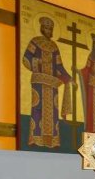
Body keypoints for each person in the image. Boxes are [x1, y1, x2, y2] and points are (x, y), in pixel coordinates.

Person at [21, 15, 72, 149]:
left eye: (51, 29)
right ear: (42, 28)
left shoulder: (54, 46)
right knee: (37, 109)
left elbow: (59, 66)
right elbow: (26, 58)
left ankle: (52, 140)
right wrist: (38, 63)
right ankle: (35, 139)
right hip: (39, 82)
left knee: (53, 112)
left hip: (52, 84)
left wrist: (68, 78)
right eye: (47, 28)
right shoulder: (35, 42)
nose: (49, 31)